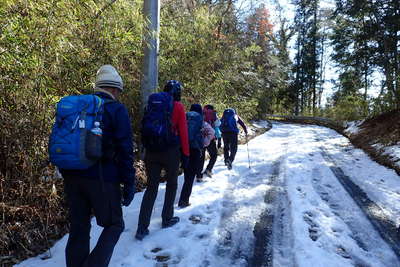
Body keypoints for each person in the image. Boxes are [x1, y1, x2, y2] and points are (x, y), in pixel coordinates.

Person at [60, 65, 135, 267]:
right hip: (102, 178)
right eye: (119, 92)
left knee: (79, 228)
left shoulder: (79, 108)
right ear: (114, 89)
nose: (119, 95)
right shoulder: (116, 109)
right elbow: (126, 150)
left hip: (72, 177)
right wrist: (129, 184)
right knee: (114, 224)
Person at [135, 80, 189, 240]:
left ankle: (141, 228)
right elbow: (183, 132)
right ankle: (167, 218)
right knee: (172, 184)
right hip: (170, 152)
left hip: (152, 150)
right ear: (177, 93)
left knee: (151, 188)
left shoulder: (153, 102)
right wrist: (186, 154)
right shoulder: (178, 106)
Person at [199, 105, 221, 178]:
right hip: (210, 138)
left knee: (201, 157)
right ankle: (208, 169)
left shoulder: (200, 113)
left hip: (200, 138)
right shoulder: (213, 114)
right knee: (214, 155)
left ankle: (199, 175)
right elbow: (217, 125)